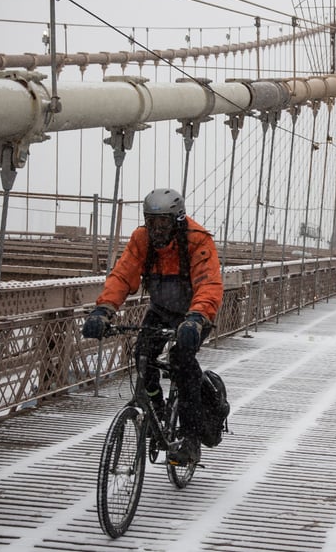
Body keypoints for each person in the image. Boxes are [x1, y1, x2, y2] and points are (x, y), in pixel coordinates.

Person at [81, 188, 223, 464]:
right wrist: (103, 310)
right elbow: (123, 274)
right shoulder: (141, 240)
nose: (157, 229)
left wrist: (196, 319)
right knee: (142, 354)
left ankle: (192, 438)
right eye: (152, 222)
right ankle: (156, 410)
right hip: (161, 309)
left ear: (178, 221)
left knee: (181, 361)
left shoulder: (197, 240)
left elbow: (208, 284)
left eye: (163, 223)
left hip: (195, 313)